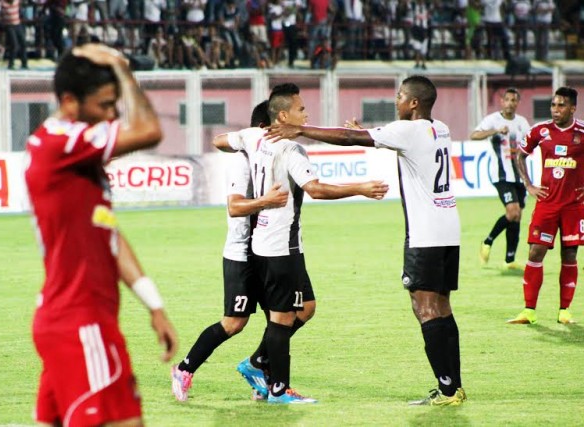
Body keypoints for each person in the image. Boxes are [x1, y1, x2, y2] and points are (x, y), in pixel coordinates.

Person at [265, 75, 466, 406]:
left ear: (414, 103)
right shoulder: (439, 128)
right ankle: (453, 386)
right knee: (442, 307)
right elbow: (383, 140)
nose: (395, 99)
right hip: (448, 229)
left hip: (425, 234)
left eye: (400, 95)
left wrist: (300, 130)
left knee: (425, 307)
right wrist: (365, 133)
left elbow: (348, 136)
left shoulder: (407, 130)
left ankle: (446, 390)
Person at [25, 43, 178, 426]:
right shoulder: (62, 142)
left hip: (68, 322)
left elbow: (108, 235)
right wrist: (123, 71)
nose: (113, 115)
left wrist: (154, 305)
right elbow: (149, 131)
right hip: (82, 325)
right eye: (106, 105)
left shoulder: (76, 157)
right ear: (70, 102)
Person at [213, 83, 389, 404]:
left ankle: (257, 363)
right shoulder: (292, 150)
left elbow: (219, 140)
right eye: (301, 109)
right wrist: (361, 187)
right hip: (283, 246)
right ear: (284, 115)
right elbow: (316, 189)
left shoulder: (255, 136)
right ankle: (278, 388)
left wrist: (243, 144)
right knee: (282, 318)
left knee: (305, 309)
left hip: (269, 242)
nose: (306, 115)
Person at [170, 101, 290, 402]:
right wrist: (266, 201)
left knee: (286, 315)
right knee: (234, 322)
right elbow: (235, 207)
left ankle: (268, 378)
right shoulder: (241, 160)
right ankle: (184, 368)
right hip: (242, 253)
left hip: (266, 249)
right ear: (264, 129)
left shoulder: (273, 157)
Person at [507, 86, 584, 325]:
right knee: (535, 252)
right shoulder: (540, 131)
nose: (555, 109)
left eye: (561, 105)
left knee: (569, 254)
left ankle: (564, 310)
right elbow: (519, 155)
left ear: (573, 108)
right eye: (553, 105)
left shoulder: (582, 131)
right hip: (547, 204)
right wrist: (529, 185)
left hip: (574, 206)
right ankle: (529, 310)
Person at [471, 87, 531, 271]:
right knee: (512, 212)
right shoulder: (493, 120)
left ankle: (509, 259)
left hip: (519, 175)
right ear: (502, 101)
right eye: (508, 100)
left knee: (517, 216)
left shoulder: (522, 123)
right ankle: (488, 241)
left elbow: (529, 146)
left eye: (514, 100)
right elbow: (474, 135)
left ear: (517, 103)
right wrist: (494, 131)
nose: (510, 103)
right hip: (501, 175)